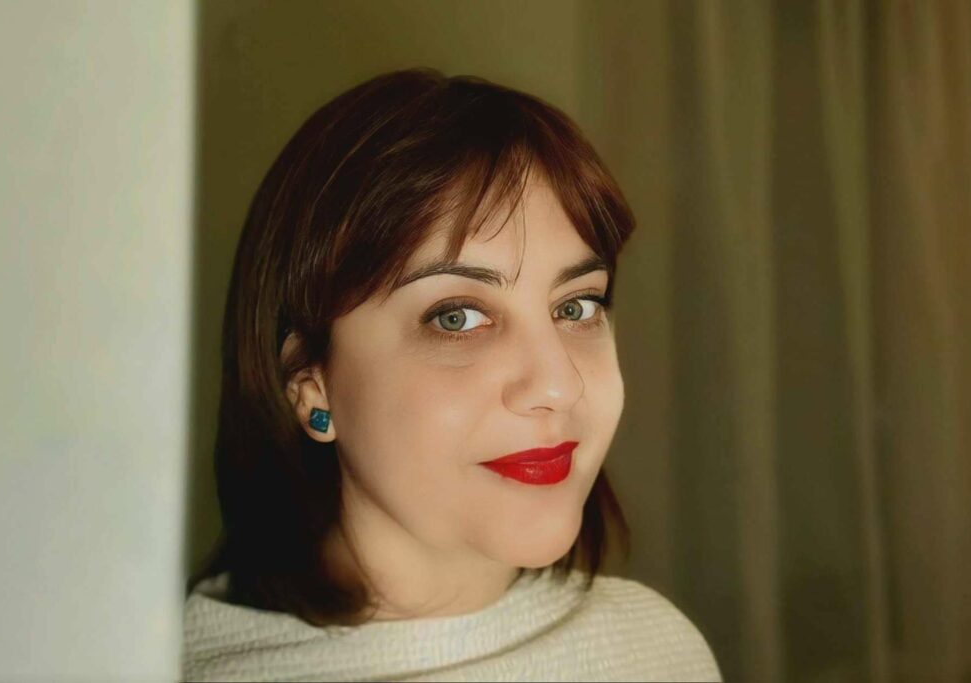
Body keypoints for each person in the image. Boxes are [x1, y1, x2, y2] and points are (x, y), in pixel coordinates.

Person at [182, 67, 721, 682]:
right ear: (311, 382)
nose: (558, 384)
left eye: (576, 307)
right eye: (457, 317)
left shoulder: (655, 652)